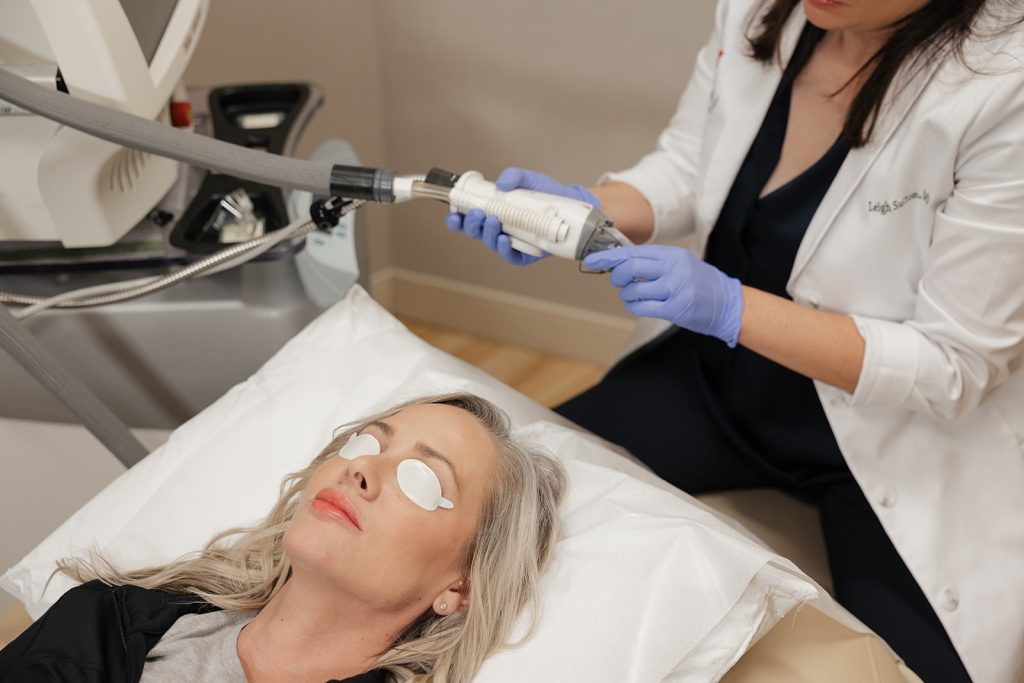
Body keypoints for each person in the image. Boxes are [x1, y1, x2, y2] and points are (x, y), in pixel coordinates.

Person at [446, 0, 1024, 681]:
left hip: (892, 434)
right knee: (492, 515)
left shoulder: (1003, 86)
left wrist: (729, 305)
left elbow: (951, 365)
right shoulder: (762, 10)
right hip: (716, 383)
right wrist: (581, 209)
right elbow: (691, 163)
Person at [0, 393, 567, 683]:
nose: (361, 469)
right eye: (365, 444)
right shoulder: (106, 621)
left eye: (422, 480)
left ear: (459, 586)